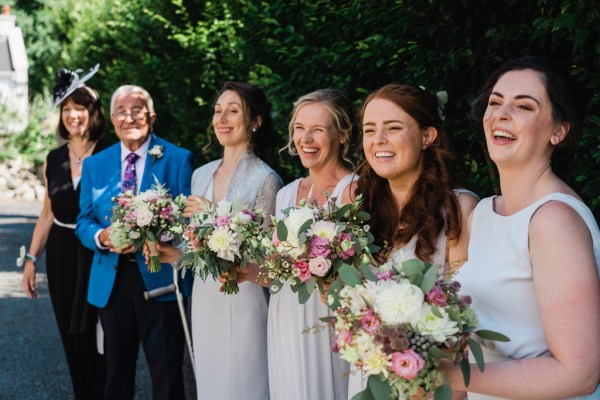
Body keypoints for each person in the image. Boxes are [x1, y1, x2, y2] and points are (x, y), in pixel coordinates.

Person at [443, 56, 600, 398]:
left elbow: (579, 374)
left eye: (523, 106)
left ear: (559, 130)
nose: (500, 113)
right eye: (495, 102)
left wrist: (449, 376)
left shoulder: (554, 220)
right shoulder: (483, 214)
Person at [148, 81, 283, 399]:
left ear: (255, 121)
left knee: (244, 383)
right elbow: (196, 248)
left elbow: (266, 257)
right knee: (210, 382)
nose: (222, 118)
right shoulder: (201, 174)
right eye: (218, 110)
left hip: (243, 296)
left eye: (233, 111)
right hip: (205, 297)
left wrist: (213, 217)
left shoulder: (267, 180)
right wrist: (170, 251)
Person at [347, 83, 478, 397]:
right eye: (369, 129)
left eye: (393, 128)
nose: (378, 140)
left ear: (427, 136)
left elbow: (465, 325)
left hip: (430, 386)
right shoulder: (359, 208)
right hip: (370, 374)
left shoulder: (459, 209)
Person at [75, 85, 194, 400]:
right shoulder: (94, 165)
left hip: (161, 277)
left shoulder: (178, 159)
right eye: (121, 112)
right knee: (116, 377)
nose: (130, 117)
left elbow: (188, 220)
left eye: (137, 109)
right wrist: (101, 237)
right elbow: (83, 221)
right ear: (112, 120)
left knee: (167, 375)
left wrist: (162, 233)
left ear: (151, 117)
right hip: (111, 282)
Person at [267, 89, 359, 400]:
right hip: (284, 315)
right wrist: (240, 268)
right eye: (299, 128)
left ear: (343, 135)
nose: (306, 138)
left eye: (318, 129)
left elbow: (363, 272)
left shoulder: (353, 191)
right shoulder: (286, 193)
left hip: (327, 319)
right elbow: (277, 272)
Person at [21, 64, 106, 400]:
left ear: (93, 112)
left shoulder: (109, 154)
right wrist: (31, 259)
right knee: (71, 337)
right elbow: (46, 213)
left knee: (101, 335)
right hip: (60, 254)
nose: (73, 115)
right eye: (67, 109)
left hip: (99, 253)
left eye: (80, 107)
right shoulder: (52, 159)